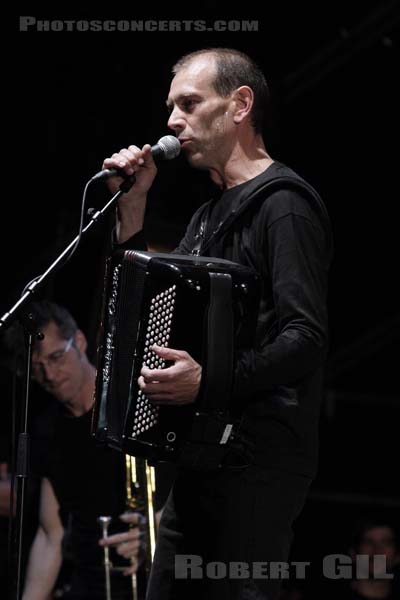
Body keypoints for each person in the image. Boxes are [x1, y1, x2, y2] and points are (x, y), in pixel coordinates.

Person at [102, 47, 333, 600]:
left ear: (239, 105)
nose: (172, 121)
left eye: (189, 103)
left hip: (259, 466)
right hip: (203, 456)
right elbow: (148, 307)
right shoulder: (209, 215)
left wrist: (208, 379)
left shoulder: (284, 205)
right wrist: (133, 210)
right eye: (170, 106)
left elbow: (306, 338)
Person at [6, 301, 167, 600]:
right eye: (38, 369)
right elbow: (50, 534)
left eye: (56, 357)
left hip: (158, 577)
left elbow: (200, 491)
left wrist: (157, 529)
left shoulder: (135, 402)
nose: (50, 375)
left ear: (79, 341)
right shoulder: (47, 431)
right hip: (91, 585)